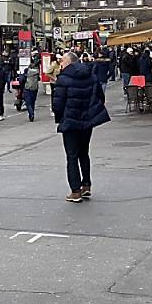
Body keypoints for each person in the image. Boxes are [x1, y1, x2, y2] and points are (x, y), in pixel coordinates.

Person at [53, 52, 111, 203]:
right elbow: (100, 96)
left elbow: (58, 103)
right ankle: (86, 185)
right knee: (84, 153)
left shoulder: (63, 78)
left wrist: (60, 117)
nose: (61, 63)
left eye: (63, 61)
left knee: (72, 156)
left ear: (70, 62)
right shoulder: (91, 76)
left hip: (70, 122)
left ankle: (75, 191)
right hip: (87, 121)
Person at [22, 57, 41, 122]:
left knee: (28, 102)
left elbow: (22, 79)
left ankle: (31, 113)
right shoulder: (37, 72)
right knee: (33, 101)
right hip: (35, 88)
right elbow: (39, 79)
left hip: (28, 88)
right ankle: (32, 113)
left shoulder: (27, 71)